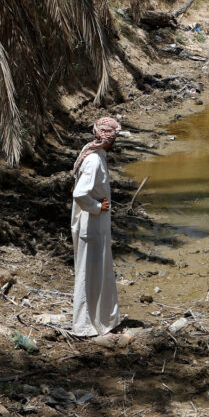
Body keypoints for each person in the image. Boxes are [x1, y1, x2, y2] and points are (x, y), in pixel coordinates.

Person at [70, 117, 122, 342]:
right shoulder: (94, 161)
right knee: (90, 275)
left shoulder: (94, 153)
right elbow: (80, 193)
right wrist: (96, 207)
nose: (116, 141)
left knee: (96, 272)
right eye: (115, 137)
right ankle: (86, 326)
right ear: (108, 138)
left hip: (93, 224)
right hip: (91, 225)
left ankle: (101, 321)